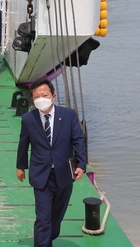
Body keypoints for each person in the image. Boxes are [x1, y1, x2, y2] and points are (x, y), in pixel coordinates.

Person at [16, 79, 87, 247]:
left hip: (64, 173)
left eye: (44, 95)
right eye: (36, 96)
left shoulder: (68, 115)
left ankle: (50, 235)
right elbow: (23, 143)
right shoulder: (28, 118)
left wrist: (82, 164)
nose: (40, 98)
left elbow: (78, 140)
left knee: (57, 214)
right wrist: (20, 166)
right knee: (43, 217)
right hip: (41, 175)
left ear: (53, 96)